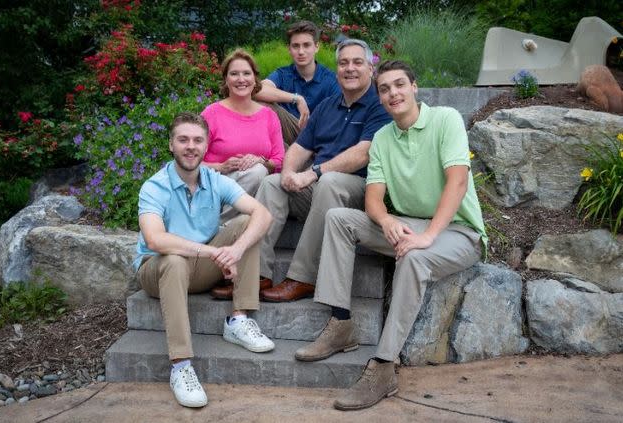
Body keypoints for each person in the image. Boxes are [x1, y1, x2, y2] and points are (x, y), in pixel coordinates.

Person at [294, 60, 487, 410]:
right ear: (379, 96)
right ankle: (340, 325)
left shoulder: (445, 120)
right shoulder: (383, 137)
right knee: (339, 217)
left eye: (399, 85)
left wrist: (427, 235)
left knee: (414, 257)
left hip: (458, 232)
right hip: (409, 223)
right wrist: (386, 223)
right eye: (384, 88)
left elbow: (457, 182)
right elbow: (372, 199)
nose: (392, 93)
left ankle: (384, 366)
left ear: (414, 87)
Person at [134, 112, 275, 408]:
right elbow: (155, 240)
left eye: (198, 140)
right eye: (183, 139)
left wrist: (235, 251)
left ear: (206, 145)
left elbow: (263, 214)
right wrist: (213, 252)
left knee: (246, 224)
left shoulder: (214, 179)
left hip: (198, 269)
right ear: (171, 144)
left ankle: (238, 319)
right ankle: (181, 366)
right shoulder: (154, 186)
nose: (190, 146)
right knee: (173, 260)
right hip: (158, 270)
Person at [255, 39, 391, 303]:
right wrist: (287, 172)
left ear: (370, 69)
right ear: (337, 69)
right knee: (272, 184)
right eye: (343, 63)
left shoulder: (380, 106)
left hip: (360, 191)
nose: (349, 68)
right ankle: (255, 273)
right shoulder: (328, 105)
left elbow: (363, 153)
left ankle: (302, 276)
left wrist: (313, 172)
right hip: (321, 188)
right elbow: (299, 147)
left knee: (329, 181)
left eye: (357, 62)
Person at [201, 49, 285, 223]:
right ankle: (218, 227)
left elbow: (279, 160)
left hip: (259, 185)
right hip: (218, 185)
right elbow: (193, 161)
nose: (241, 79)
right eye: (234, 74)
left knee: (258, 172)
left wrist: (261, 161)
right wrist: (221, 166)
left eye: (246, 73)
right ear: (226, 79)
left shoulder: (269, 116)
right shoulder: (212, 114)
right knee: (256, 174)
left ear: (255, 79)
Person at [253, 20, 340, 143]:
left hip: (318, 138)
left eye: (306, 45)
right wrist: (297, 98)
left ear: (316, 47)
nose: (301, 52)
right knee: (263, 106)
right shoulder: (283, 74)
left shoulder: (330, 80)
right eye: (296, 46)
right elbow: (257, 90)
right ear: (289, 49)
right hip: (290, 132)